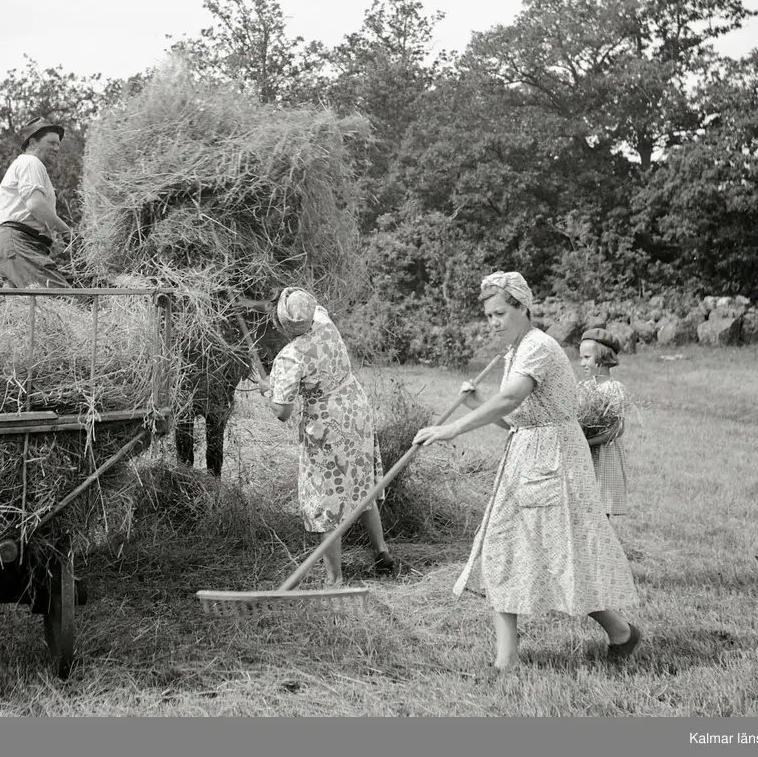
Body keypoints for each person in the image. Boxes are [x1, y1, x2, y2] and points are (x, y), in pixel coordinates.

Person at [413, 271, 641, 672]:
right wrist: (477, 404)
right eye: (488, 316)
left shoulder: (537, 345)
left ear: (523, 308)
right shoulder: (515, 351)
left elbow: (513, 397)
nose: (494, 322)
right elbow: (517, 417)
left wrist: (451, 429)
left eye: (501, 312)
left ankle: (621, 632)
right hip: (527, 454)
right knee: (503, 549)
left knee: (562, 556)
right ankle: (508, 660)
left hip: (554, 461)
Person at [254, 286, 396, 586]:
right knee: (360, 484)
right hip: (355, 410)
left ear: (280, 326)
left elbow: (282, 411)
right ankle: (382, 551)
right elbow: (304, 308)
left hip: (326, 426)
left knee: (325, 499)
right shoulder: (324, 321)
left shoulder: (290, 357)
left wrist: (269, 390)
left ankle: (335, 579)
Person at [0, 117, 73, 289]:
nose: (56, 148)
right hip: (20, 244)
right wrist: (67, 232)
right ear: (33, 142)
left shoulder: (27, 165)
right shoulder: (31, 162)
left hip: (18, 246)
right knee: (66, 298)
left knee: (28, 307)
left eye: (58, 144)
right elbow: (36, 205)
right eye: (51, 143)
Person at [578, 328, 629, 521]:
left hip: (604, 454)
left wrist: (588, 442)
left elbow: (617, 429)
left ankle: (602, 547)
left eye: (586, 357)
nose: (582, 363)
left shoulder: (614, 389)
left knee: (600, 508)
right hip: (584, 454)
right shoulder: (584, 388)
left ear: (602, 358)